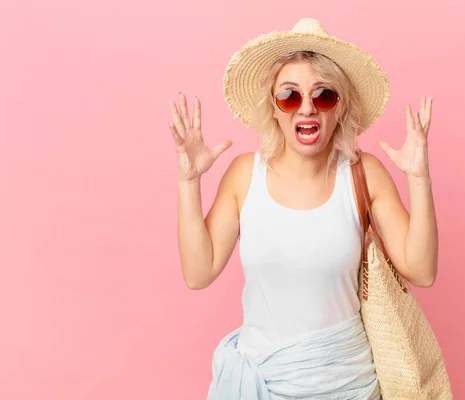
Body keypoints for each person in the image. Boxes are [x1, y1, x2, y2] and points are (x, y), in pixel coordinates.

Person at [167, 18, 438, 400]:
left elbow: (422, 271)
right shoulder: (245, 175)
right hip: (264, 385)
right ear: (273, 108)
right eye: (290, 96)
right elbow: (198, 272)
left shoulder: (363, 173)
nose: (306, 108)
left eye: (324, 95)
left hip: (351, 388)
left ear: (339, 107)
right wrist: (188, 181)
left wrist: (420, 178)